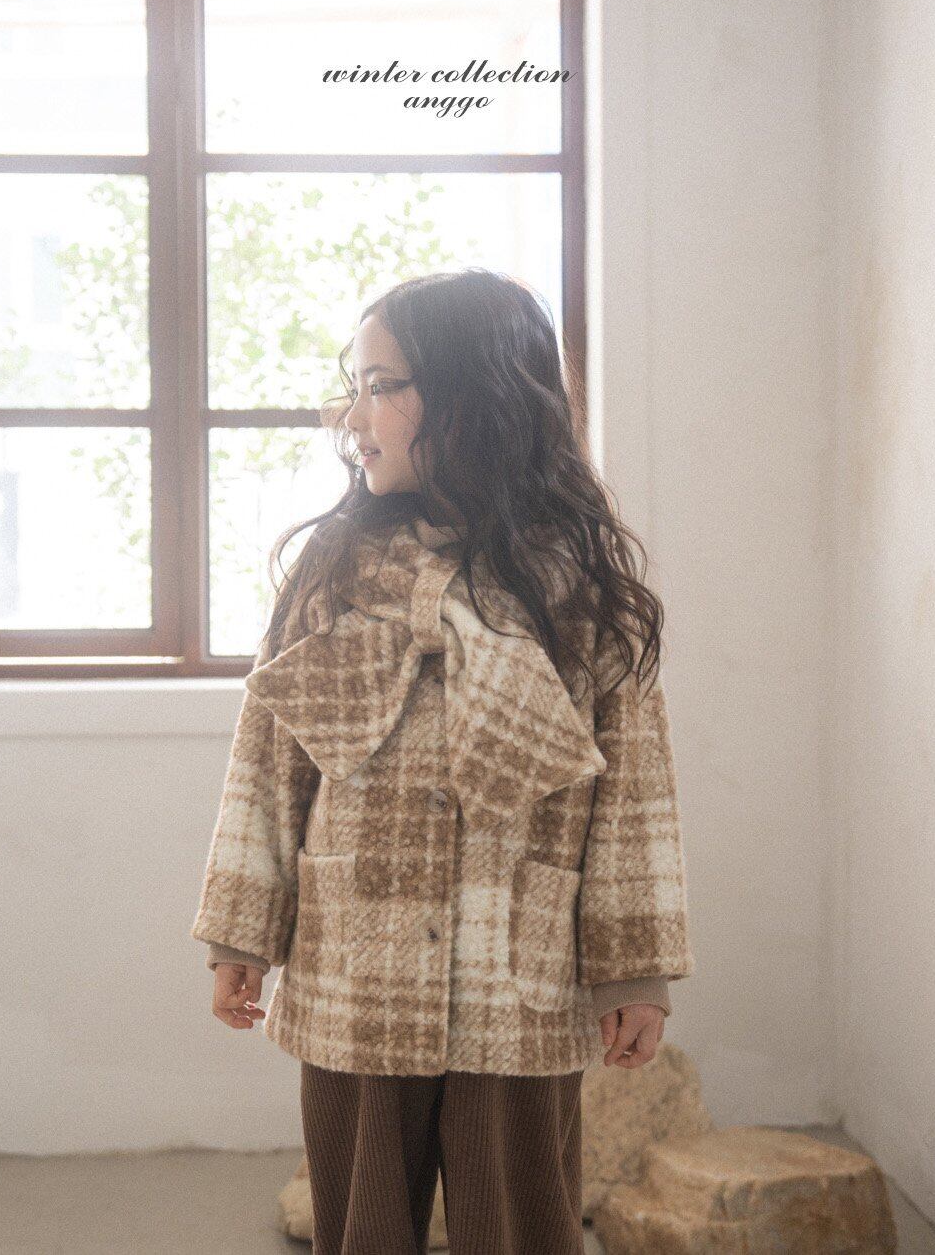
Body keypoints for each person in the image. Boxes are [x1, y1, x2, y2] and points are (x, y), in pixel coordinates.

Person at [190, 267, 696, 1254]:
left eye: (383, 386)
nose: (354, 415)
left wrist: (635, 970)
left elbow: (634, 794)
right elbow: (268, 762)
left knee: (521, 1225)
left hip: (519, 971)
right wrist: (240, 932)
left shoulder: (576, 584)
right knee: (362, 1227)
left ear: (473, 401)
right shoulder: (334, 569)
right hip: (354, 969)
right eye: (355, 387)